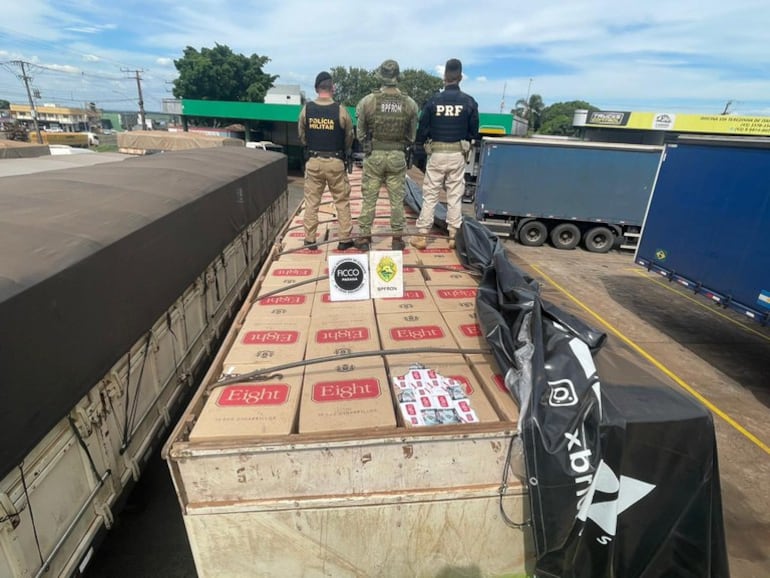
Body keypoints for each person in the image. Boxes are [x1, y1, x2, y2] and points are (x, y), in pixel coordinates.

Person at [411, 58, 479, 250]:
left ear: (444, 77)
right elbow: (474, 131)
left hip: (437, 153)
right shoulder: (469, 102)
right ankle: (453, 235)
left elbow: (422, 130)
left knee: (430, 194)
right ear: (460, 77)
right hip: (458, 154)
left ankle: (423, 235)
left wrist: (421, 145)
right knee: (455, 194)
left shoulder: (434, 101)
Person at [354, 59, 419, 251]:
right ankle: (397, 239)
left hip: (374, 155)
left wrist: (371, 142)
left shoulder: (367, 101)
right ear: (397, 77)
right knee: (397, 199)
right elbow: (412, 136)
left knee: (369, 197)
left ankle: (364, 237)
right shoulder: (410, 104)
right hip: (397, 156)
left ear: (381, 76)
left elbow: (360, 133)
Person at [298, 70, 355, 251]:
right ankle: (345, 239)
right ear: (333, 88)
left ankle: (309, 240)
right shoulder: (341, 110)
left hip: (313, 161)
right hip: (335, 162)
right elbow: (349, 136)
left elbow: (301, 135)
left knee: (312, 202)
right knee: (341, 201)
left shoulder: (307, 109)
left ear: (316, 89)